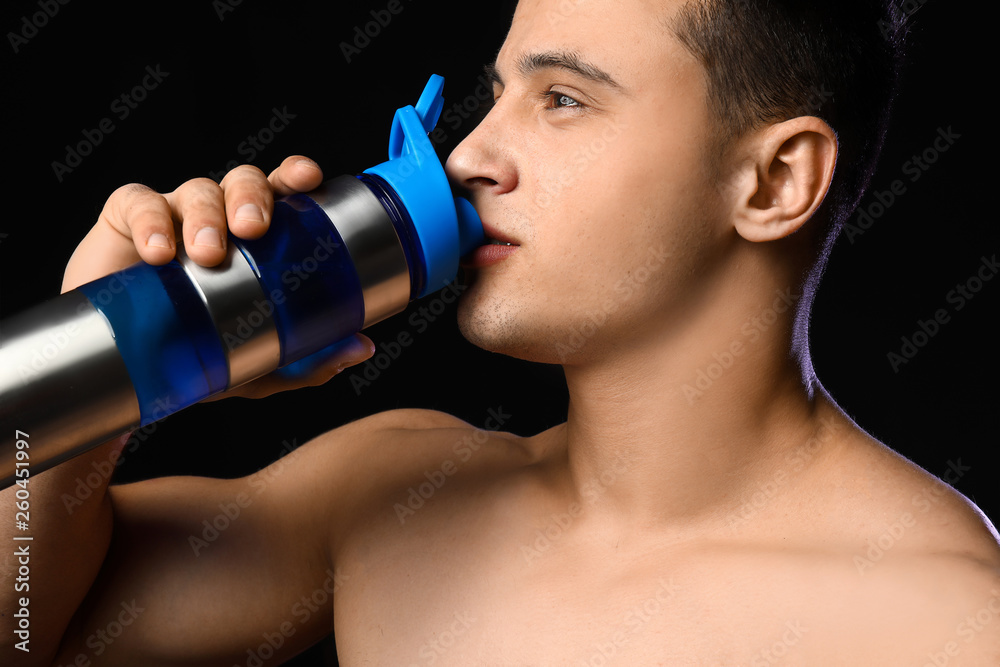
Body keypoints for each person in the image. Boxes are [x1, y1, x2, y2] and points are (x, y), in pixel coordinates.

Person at [4, 0, 999, 664]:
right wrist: (106, 367)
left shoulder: (947, 624)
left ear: (773, 182)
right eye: (497, 94)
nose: (471, 154)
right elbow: (26, 633)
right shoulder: (392, 491)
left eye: (562, 100)